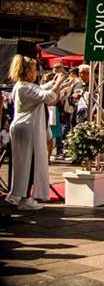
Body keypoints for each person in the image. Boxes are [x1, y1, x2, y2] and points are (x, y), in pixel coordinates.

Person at [4, 55, 63, 211]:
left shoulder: (21, 85)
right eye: (34, 69)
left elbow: (42, 89)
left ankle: (20, 195)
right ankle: (23, 197)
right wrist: (58, 82)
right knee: (28, 163)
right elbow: (49, 97)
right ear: (27, 71)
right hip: (27, 128)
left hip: (23, 127)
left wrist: (56, 81)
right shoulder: (25, 87)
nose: (36, 72)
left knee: (23, 163)